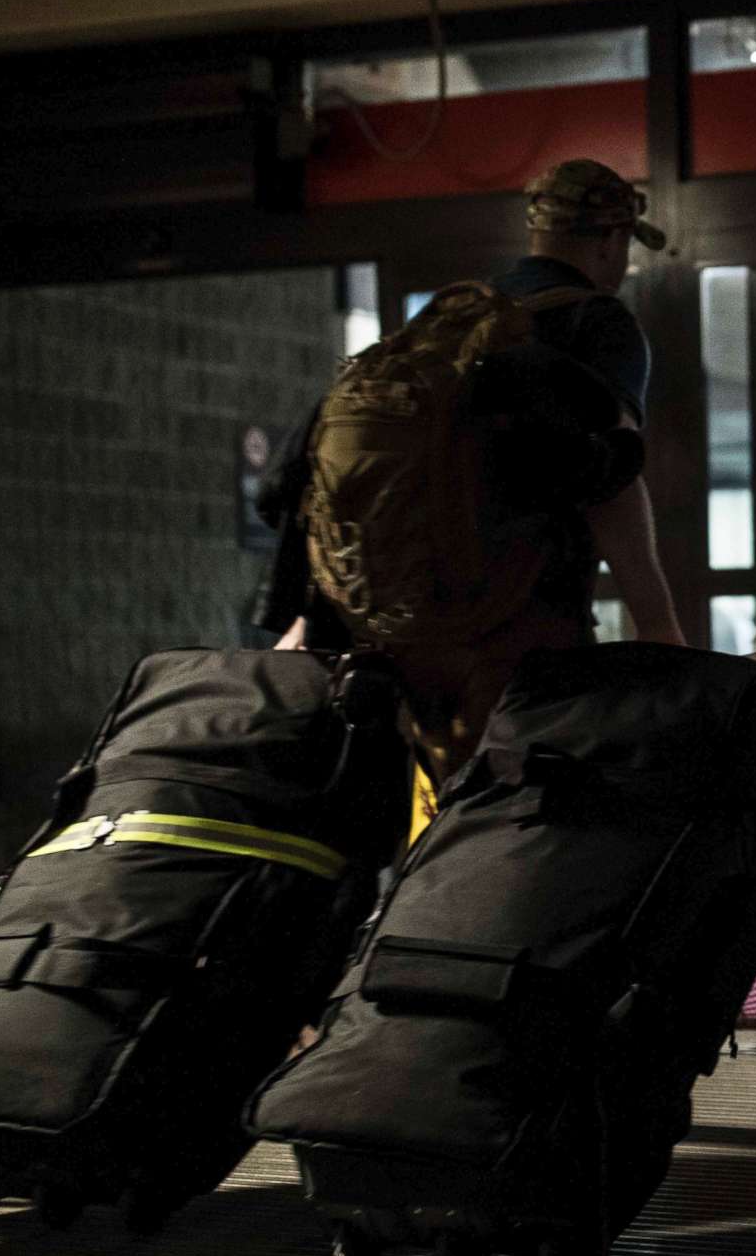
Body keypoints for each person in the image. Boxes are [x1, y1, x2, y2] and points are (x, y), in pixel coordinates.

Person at [261, 158, 686, 789]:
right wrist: (661, 634)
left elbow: (293, 488)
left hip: (387, 635)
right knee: (513, 831)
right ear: (612, 240)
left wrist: (308, 613)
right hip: (513, 631)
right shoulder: (598, 322)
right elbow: (610, 477)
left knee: (427, 825)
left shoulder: (446, 325)